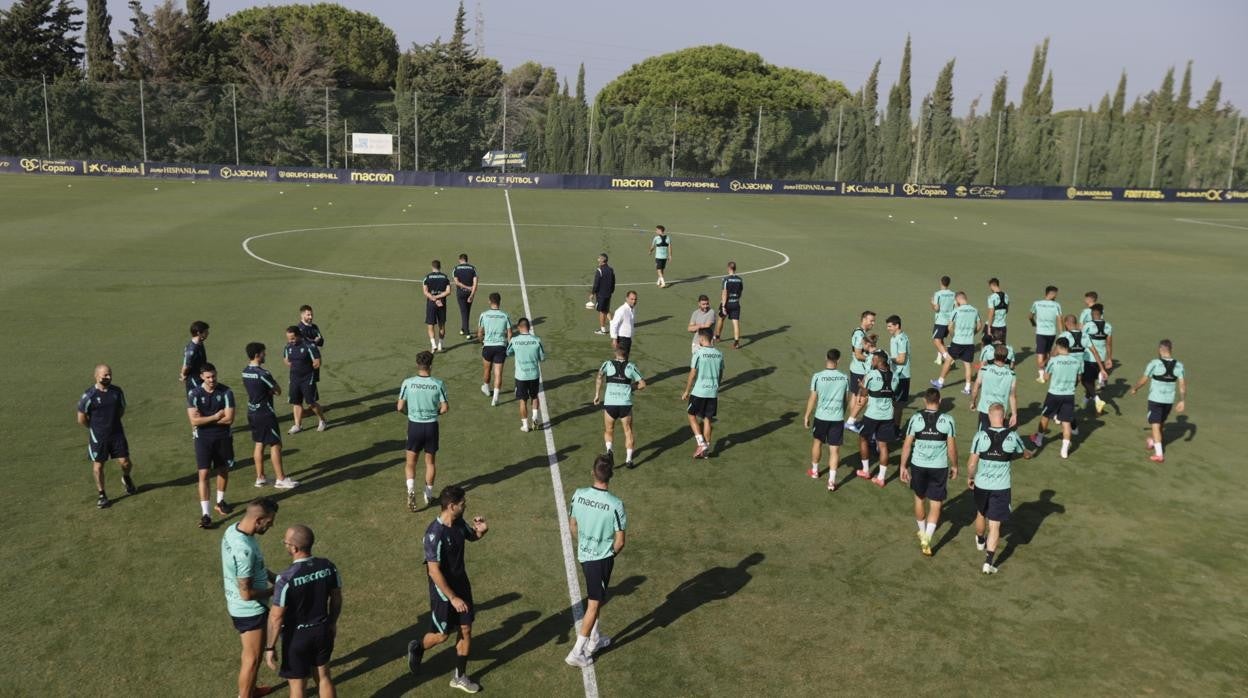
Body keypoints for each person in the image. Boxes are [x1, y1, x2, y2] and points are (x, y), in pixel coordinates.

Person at [407, 486, 490, 694]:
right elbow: (433, 571)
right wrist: (452, 598)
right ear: (452, 506)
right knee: (441, 635)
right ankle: (417, 647)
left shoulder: (459, 523)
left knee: (466, 629)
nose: (466, 505)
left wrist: (481, 531)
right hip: (443, 593)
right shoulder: (434, 534)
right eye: (463, 504)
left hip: (462, 586)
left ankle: (459, 677)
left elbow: (472, 536)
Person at [266, 524, 342, 698]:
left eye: (285, 542)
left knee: (298, 687)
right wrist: (332, 622)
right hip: (322, 631)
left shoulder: (286, 579)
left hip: (296, 638)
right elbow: (336, 598)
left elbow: (276, 618)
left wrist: (270, 647)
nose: (285, 545)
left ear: (294, 548)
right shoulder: (328, 566)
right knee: (323, 678)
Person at [565, 455, 627, 668]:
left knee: (598, 599)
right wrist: (605, 556)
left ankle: (595, 638)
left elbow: (572, 525)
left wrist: (585, 545)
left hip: (584, 555)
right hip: (600, 560)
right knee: (593, 604)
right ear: (611, 475)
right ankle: (577, 652)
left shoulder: (578, 494)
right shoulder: (615, 505)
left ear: (593, 472)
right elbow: (620, 542)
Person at [221, 497, 279, 698]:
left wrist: (276, 579)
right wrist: (274, 591)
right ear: (258, 520)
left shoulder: (232, 529)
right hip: (250, 610)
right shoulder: (244, 550)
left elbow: (258, 567)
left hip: (237, 605)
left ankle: (251, 691)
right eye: (269, 522)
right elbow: (246, 593)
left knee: (249, 655)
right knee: (252, 659)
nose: (271, 526)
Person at [967, 404, 1032, 574]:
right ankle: (988, 562)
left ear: (989, 417)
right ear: (1003, 417)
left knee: (980, 514)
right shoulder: (1012, 435)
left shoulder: (980, 436)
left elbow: (972, 462)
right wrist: (1028, 454)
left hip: (981, 484)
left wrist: (970, 477)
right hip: (1001, 488)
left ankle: (980, 539)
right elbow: (1023, 452)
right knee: (995, 525)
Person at [899, 388, 958, 556]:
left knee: (919, 498)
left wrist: (903, 466)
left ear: (925, 401)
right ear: (939, 401)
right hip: (938, 467)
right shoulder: (948, 420)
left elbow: (907, 445)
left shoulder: (916, 418)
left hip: (918, 465)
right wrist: (955, 465)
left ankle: (922, 532)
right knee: (936, 503)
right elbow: (952, 448)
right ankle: (927, 538)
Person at [77, 363, 137, 508]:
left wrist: (113, 422)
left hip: (116, 434)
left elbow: (121, 409)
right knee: (98, 466)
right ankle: (102, 495)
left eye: (110, 374)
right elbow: (81, 418)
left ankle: (126, 477)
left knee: (126, 463)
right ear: (96, 376)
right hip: (99, 437)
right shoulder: (89, 395)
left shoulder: (117, 391)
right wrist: (94, 429)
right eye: (105, 375)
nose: (108, 377)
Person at [397, 351, 450, 511]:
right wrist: (434, 413)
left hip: (414, 425)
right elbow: (445, 408)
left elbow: (399, 407)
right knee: (430, 463)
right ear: (431, 365)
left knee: (410, 463)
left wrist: (409, 414)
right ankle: (428, 494)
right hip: (431, 426)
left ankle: (411, 490)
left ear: (417, 365)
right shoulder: (438, 384)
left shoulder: (408, 382)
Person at [242, 343, 298, 489]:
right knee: (276, 444)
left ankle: (260, 477)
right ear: (257, 355)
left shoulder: (245, 371)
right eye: (263, 353)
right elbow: (278, 391)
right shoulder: (263, 374)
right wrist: (270, 391)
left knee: (259, 443)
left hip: (252, 412)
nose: (265, 355)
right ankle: (281, 479)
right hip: (265, 413)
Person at [189, 363, 236, 529]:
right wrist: (216, 416)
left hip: (223, 437)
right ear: (202, 377)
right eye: (208, 377)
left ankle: (220, 501)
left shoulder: (226, 392)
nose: (211, 380)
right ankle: (206, 514)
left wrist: (204, 421)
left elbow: (230, 419)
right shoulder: (194, 394)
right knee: (204, 474)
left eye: (213, 376)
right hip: (203, 439)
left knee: (222, 469)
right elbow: (193, 421)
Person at [1130, 339, 1187, 463]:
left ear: (1160, 350)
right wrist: (1182, 400)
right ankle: (1152, 441)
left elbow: (1144, 380)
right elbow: (1182, 384)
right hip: (1168, 401)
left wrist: (1135, 388)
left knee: (1155, 424)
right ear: (1171, 350)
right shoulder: (1179, 365)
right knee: (1160, 423)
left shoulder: (1154, 363)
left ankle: (1159, 454)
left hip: (1155, 399)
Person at [803, 349, 849, 490]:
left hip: (821, 417)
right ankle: (831, 481)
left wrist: (807, 415)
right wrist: (842, 412)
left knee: (817, 443)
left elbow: (813, 397)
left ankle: (815, 471)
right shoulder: (844, 377)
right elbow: (845, 400)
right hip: (837, 418)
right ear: (838, 360)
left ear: (826, 358)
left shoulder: (818, 376)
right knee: (834, 450)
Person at [593, 347, 646, 468]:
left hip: (610, 404)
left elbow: (599, 377)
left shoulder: (607, 364)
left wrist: (597, 395)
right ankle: (629, 460)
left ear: (615, 354)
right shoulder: (631, 366)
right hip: (625, 405)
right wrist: (631, 388)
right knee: (628, 431)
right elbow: (643, 384)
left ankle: (609, 450)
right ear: (627, 355)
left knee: (609, 430)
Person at [1030, 337, 1082, 459]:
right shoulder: (1076, 361)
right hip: (1069, 395)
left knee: (1045, 417)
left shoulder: (1054, 361)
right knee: (1066, 422)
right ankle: (1064, 450)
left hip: (1054, 394)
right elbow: (1078, 379)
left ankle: (1039, 440)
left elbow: (1046, 377)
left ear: (1058, 347)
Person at [854, 351, 897, 487]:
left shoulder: (871, 375)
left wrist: (862, 387)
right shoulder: (895, 376)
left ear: (879, 360)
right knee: (883, 445)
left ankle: (866, 470)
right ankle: (881, 478)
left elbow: (865, 393)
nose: (871, 361)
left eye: (873, 359)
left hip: (872, 415)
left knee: (863, 438)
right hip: (888, 415)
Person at [683, 330, 725, 458]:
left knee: (691, 415)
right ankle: (705, 451)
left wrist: (686, 391)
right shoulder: (719, 354)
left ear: (701, 339)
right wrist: (716, 385)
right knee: (707, 419)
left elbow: (693, 373)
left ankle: (701, 443)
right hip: (712, 392)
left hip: (699, 391)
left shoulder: (698, 353)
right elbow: (721, 373)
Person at [1058, 314, 1109, 416]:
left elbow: (1055, 352)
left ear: (1067, 324)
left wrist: (1047, 362)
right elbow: (1095, 352)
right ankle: (1095, 400)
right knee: (1077, 385)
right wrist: (1102, 368)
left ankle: (1061, 413)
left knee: (1064, 389)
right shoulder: (1085, 336)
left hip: (1067, 367)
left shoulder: (1064, 335)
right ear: (1076, 323)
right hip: (1080, 367)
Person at [932, 292, 981, 394]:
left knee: (948, 360)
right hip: (969, 342)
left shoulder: (956, 311)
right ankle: (967, 388)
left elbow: (950, 327)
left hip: (957, 342)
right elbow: (979, 325)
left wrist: (953, 336)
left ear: (958, 300)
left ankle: (940, 382)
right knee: (967, 364)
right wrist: (972, 334)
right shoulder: (975, 310)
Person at [284, 326, 328, 434]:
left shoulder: (309, 346)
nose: (290, 341)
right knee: (296, 402)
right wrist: (295, 368)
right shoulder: (288, 347)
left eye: (292, 338)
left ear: (298, 336)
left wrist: (306, 369)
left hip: (307, 378)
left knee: (311, 402)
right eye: (289, 338)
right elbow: (286, 359)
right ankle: (298, 425)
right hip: (294, 378)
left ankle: (322, 421)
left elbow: (317, 362)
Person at [506, 317, 546, 432]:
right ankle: (535, 418)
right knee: (534, 396)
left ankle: (525, 425)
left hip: (521, 376)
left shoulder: (514, 340)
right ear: (529, 327)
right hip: (534, 374)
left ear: (519, 327)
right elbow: (542, 358)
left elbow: (508, 352)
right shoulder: (537, 340)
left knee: (523, 400)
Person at [970, 344, 1019, 433]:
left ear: (994, 356)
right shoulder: (1011, 375)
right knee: (997, 439)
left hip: (985, 410)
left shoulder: (984, 370)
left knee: (983, 437)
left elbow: (976, 387)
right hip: (1001, 412)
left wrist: (973, 402)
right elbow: (1012, 396)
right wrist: (1014, 414)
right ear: (1006, 358)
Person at [477, 292, 513, 407]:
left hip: (487, 346)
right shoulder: (505, 315)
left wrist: (482, 342)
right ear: (499, 302)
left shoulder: (484, 315)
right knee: (498, 373)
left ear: (489, 301)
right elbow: (510, 334)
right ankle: (495, 397)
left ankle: (486, 388)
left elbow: (479, 333)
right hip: (501, 346)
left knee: (487, 370)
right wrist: (508, 345)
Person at [843, 311, 876, 433]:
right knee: (861, 396)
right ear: (864, 319)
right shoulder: (859, 334)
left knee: (855, 394)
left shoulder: (862, 333)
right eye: (871, 320)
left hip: (856, 369)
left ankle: (852, 421)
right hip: (859, 369)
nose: (873, 323)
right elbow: (857, 354)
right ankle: (852, 421)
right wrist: (872, 358)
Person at [1083, 303, 1113, 414]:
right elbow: (1109, 344)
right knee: (1091, 383)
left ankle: (1096, 400)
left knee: (1086, 381)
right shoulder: (1108, 326)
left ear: (1093, 314)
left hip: (1089, 358)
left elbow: (1081, 341)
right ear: (1101, 313)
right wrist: (1109, 358)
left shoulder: (1088, 325)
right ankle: (1088, 402)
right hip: (1102, 359)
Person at [1029, 285, 1062, 381]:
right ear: (1052, 294)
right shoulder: (1056, 305)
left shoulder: (1037, 303)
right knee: (1048, 352)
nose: (1056, 296)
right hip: (1052, 333)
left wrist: (1033, 323)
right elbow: (1059, 319)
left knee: (1040, 353)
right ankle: (1048, 372)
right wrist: (1061, 333)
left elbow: (1030, 316)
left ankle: (1041, 375)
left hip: (1040, 332)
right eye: (1055, 294)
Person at [886, 315, 911, 428]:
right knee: (892, 402)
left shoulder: (901, 339)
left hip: (902, 376)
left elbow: (901, 360)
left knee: (898, 405)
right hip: (895, 375)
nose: (888, 328)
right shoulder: (894, 338)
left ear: (897, 326)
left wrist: (887, 359)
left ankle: (895, 429)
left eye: (890, 326)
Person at [423, 260, 452, 352]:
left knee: (430, 325)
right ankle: (440, 345)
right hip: (441, 303)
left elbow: (425, 292)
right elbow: (448, 292)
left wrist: (433, 297)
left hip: (431, 303)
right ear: (440, 267)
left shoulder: (427, 277)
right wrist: (438, 297)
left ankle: (433, 345)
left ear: (432, 267)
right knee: (442, 325)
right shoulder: (445, 277)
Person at [713, 261, 744, 349]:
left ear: (728, 268)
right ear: (735, 268)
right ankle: (736, 343)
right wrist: (736, 299)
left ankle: (717, 337)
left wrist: (723, 306)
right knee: (735, 322)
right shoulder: (740, 279)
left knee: (721, 319)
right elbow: (740, 292)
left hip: (727, 303)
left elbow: (724, 293)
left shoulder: (726, 279)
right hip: (736, 303)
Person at [452, 254, 479, 339]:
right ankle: (463, 329)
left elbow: (457, 282)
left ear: (460, 260)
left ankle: (467, 332)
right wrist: (471, 294)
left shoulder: (456, 269)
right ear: (467, 260)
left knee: (464, 312)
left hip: (460, 293)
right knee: (467, 311)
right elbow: (475, 284)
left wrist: (466, 287)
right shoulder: (473, 268)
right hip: (469, 293)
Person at [930, 276, 956, 364]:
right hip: (949, 321)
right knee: (940, 339)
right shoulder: (953, 294)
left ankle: (947, 357)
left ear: (941, 282)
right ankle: (939, 358)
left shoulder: (938, 294)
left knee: (936, 340)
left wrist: (932, 303)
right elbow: (955, 307)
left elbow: (936, 308)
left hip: (940, 321)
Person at [295, 305, 324, 383]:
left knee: (313, 383)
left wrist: (313, 341)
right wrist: (315, 341)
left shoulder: (314, 327)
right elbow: (305, 344)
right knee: (307, 383)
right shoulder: (299, 329)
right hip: (305, 361)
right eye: (308, 315)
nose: (311, 317)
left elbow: (321, 342)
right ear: (302, 315)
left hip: (314, 358)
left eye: (311, 315)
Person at [589, 254, 616, 336]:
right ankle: (613, 326)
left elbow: (596, 283)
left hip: (601, 295)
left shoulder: (599, 270)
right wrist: (611, 291)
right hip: (608, 294)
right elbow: (613, 282)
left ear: (602, 260)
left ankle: (603, 330)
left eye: (599, 258)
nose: (598, 260)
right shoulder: (611, 269)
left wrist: (592, 293)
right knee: (606, 309)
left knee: (601, 311)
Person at [181, 320, 210, 393]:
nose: (208, 333)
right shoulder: (192, 349)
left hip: (201, 376)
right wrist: (183, 375)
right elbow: (186, 366)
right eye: (205, 332)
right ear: (199, 333)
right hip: (194, 379)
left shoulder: (200, 343)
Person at [609, 291, 638, 358]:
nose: (634, 301)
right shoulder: (622, 310)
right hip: (621, 340)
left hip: (628, 339)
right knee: (620, 360)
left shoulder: (632, 309)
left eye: (635, 299)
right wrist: (614, 340)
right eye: (632, 299)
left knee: (624, 360)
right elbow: (614, 325)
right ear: (627, 299)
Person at [985, 278, 1009, 346]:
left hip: (994, 327)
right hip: (1003, 326)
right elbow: (1007, 310)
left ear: (992, 285)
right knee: (1002, 349)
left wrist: (989, 327)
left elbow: (991, 313)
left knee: (992, 347)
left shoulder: (991, 297)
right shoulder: (1006, 296)